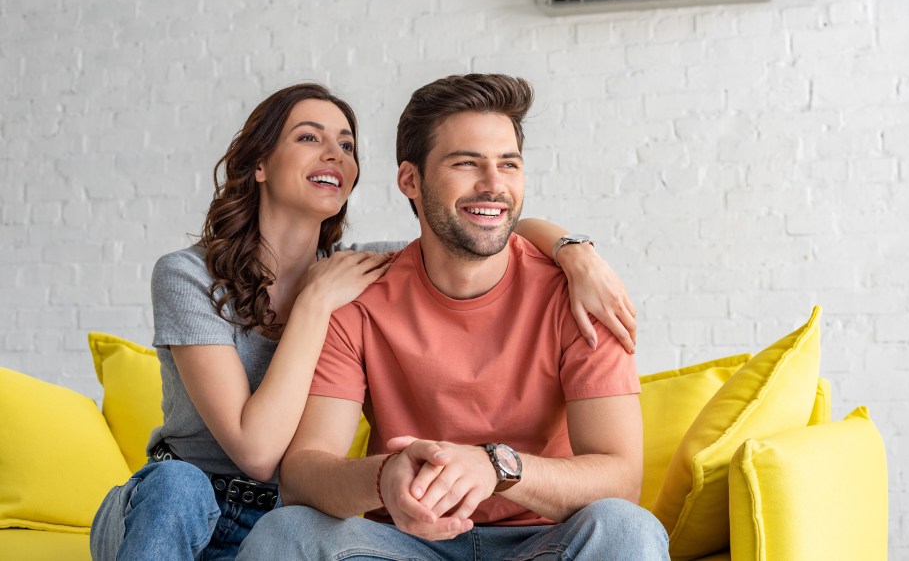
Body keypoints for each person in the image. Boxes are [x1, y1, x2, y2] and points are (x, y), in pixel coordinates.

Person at [89, 82, 639, 561]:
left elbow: (477, 233)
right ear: (258, 164)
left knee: (626, 528)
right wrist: (313, 306)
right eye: (309, 137)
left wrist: (574, 251)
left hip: (277, 513)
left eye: (347, 145)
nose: (334, 154)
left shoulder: (358, 270)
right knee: (192, 495)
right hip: (187, 497)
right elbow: (262, 455)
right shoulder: (204, 277)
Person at [236, 75, 668, 560]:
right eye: (467, 163)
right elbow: (303, 473)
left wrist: (497, 467)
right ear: (410, 180)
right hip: (404, 545)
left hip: (544, 543)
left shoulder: (581, 293)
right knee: (284, 533)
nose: (494, 185)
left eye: (509, 164)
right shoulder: (356, 298)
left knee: (627, 528)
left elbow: (622, 478)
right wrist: (384, 478)